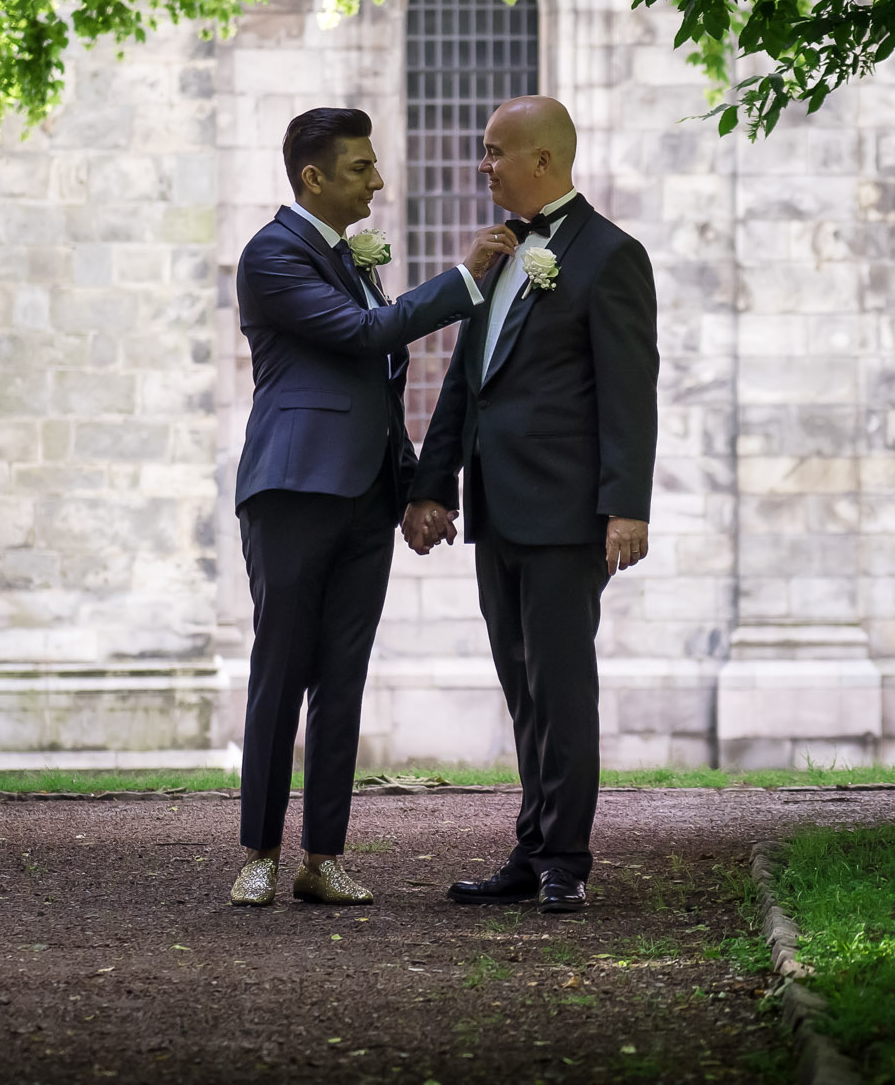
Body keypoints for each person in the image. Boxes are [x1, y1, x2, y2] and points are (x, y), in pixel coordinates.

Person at [229, 107, 516, 908]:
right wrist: (464, 283)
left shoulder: (354, 260)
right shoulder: (272, 253)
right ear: (313, 177)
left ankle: (323, 858)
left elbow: (378, 394)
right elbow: (361, 336)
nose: (379, 182)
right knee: (279, 670)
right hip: (291, 489)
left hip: (363, 498)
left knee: (343, 680)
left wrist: (417, 488)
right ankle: (258, 852)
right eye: (361, 167)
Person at [403, 95, 659, 914]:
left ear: (542, 160)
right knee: (521, 684)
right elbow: (464, 386)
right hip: (498, 513)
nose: (484, 165)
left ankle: (566, 860)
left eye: (493, 152)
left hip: (564, 515)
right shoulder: (499, 255)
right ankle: (531, 843)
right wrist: (432, 485)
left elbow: (630, 393)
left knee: (561, 685)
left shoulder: (610, 256)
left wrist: (626, 505)